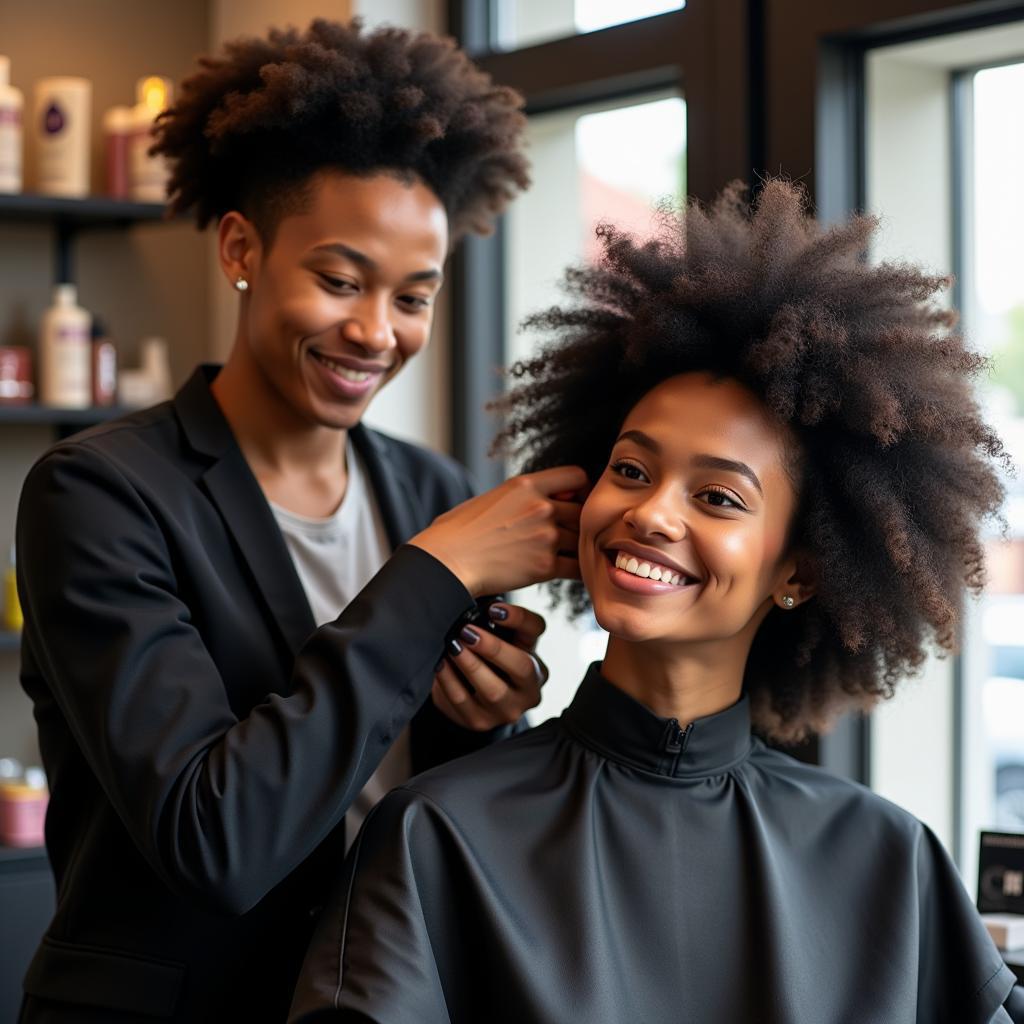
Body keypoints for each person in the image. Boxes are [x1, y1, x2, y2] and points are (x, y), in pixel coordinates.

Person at [290, 180, 1024, 1024]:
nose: (649, 513)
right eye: (631, 471)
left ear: (801, 573)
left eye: (718, 498)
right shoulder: (434, 837)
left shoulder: (891, 860)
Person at [15, 20, 587, 1024]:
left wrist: (483, 720)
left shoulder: (427, 489)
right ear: (241, 247)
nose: (376, 331)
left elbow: (431, 814)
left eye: (414, 296)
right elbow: (214, 838)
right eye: (339, 280)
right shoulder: (100, 493)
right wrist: (431, 577)